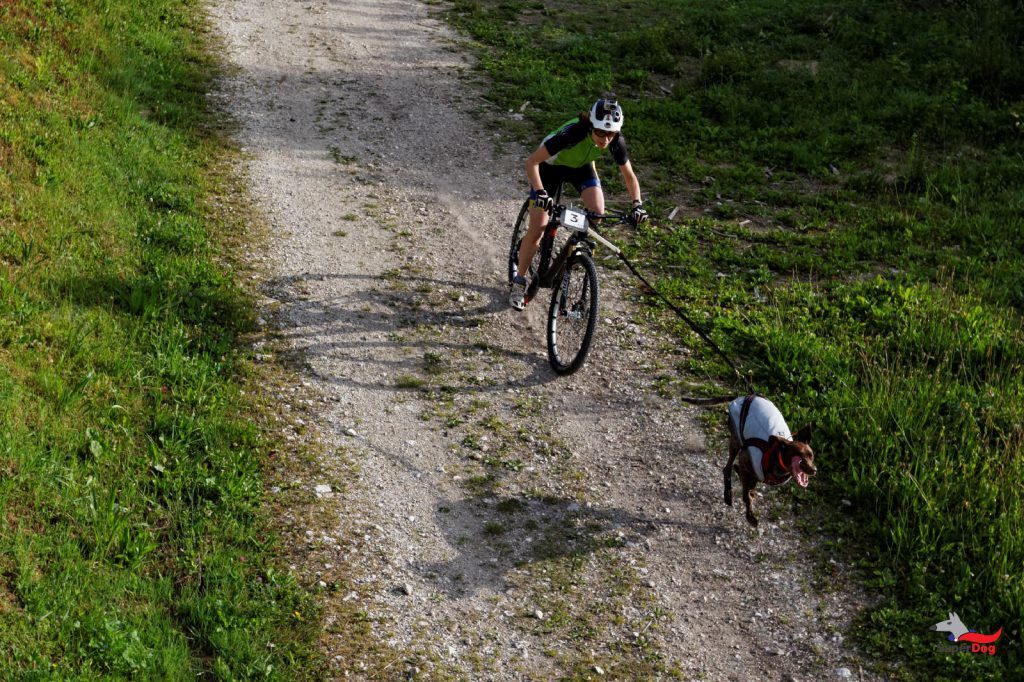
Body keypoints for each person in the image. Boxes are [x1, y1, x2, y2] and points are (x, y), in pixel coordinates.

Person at [509, 98, 648, 310]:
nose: (605, 139)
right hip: (549, 168)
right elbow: (531, 162)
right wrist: (540, 192)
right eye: (600, 132)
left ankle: (570, 257)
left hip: (580, 167)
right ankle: (519, 281)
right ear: (591, 125)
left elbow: (629, 176)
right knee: (538, 227)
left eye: (610, 134)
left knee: (597, 214)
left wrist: (637, 204)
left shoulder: (615, 141)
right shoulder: (573, 133)